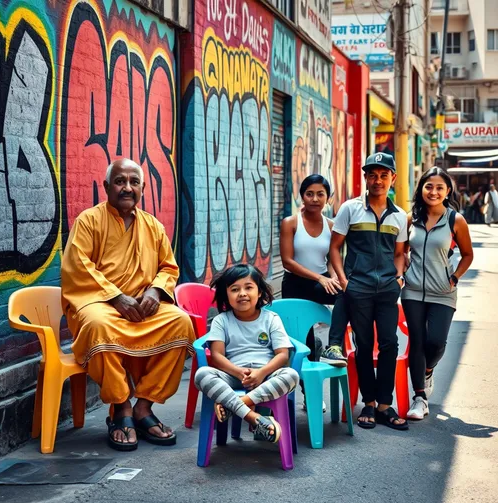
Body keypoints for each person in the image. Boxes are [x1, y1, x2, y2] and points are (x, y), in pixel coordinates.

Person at [61, 158, 195, 451]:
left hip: (143, 309)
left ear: (143, 188)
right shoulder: (89, 221)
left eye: (134, 182)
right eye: (120, 181)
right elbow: (77, 267)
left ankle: (143, 407)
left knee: (181, 323)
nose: (127, 188)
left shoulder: (153, 226)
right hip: (101, 305)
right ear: (107, 186)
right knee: (97, 325)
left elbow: (168, 268)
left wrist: (156, 292)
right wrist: (115, 296)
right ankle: (121, 408)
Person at [329, 152, 409, 431]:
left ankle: (385, 405)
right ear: (365, 177)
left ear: (392, 179)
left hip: (387, 288)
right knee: (364, 346)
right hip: (357, 287)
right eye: (372, 175)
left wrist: (398, 278)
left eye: (383, 175)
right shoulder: (350, 209)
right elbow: (335, 249)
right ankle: (369, 403)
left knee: (389, 344)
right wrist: (343, 280)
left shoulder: (399, 216)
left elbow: (400, 253)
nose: (377, 180)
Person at [194, 264, 300, 443]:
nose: (242, 293)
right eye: (235, 289)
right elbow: (217, 355)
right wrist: (237, 371)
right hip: (233, 375)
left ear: (259, 292)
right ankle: (253, 418)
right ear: (226, 295)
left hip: (266, 377)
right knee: (202, 374)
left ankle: (234, 405)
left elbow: (282, 355)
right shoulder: (221, 321)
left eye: (248, 287)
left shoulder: (271, 319)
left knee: (291, 375)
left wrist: (262, 373)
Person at [403, 167, 474, 420]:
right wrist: (402, 271)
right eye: (428, 186)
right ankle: (419, 398)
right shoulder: (411, 218)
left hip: (443, 292)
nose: (433, 192)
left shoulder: (455, 220)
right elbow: (399, 250)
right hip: (412, 291)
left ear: (447, 192)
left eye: (439, 188)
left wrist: (454, 278)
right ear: (421, 189)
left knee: (436, 342)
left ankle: (429, 369)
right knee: (418, 342)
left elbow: (468, 255)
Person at [279, 174, 348, 369]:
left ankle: (334, 347)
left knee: (347, 294)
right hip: (295, 285)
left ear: (328, 198)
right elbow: (287, 262)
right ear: (302, 196)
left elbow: (332, 260)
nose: (315, 199)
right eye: (309, 194)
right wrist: (321, 278)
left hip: (321, 283)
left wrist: (334, 277)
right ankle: (308, 396)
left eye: (320, 194)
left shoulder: (332, 226)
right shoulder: (290, 223)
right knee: (303, 345)